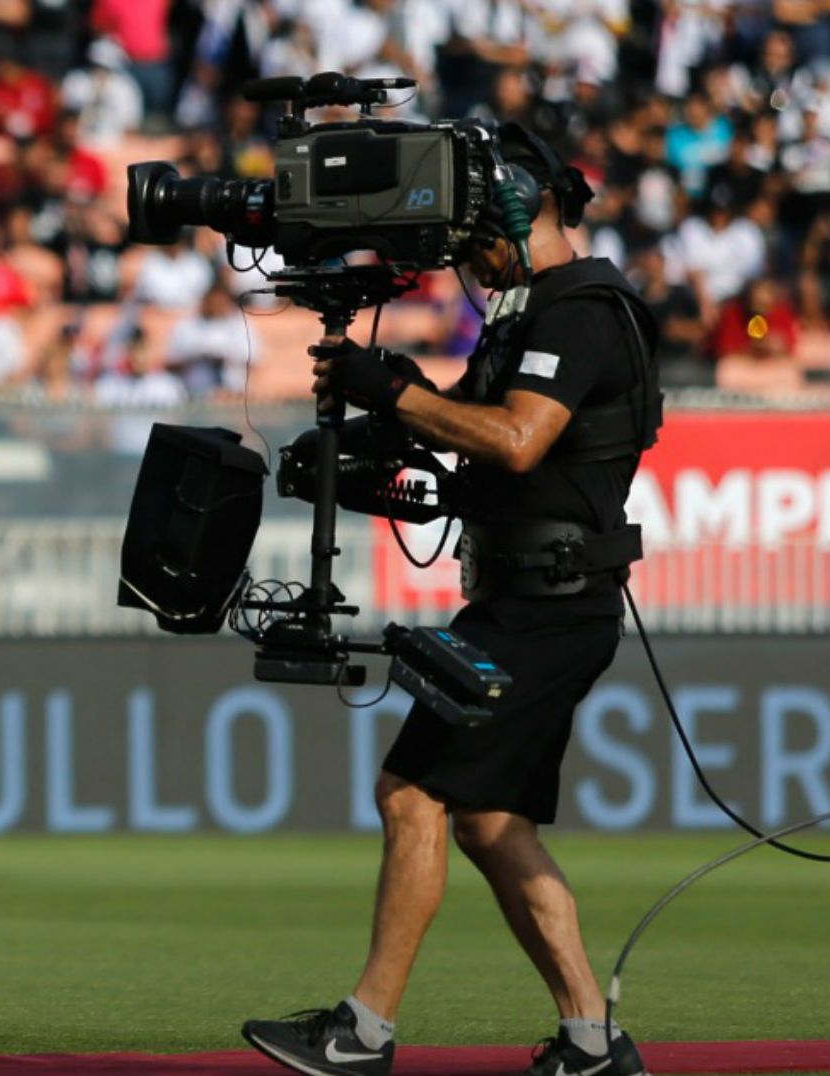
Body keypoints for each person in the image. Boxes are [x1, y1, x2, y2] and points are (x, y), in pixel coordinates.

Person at [243, 127, 658, 1076]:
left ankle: (364, 1031)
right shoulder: (527, 313)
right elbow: (463, 435)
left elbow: (513, 440)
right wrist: (365, 449)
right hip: (523, 599)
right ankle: (593, 1039)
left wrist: (390, 395)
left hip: (552, 605)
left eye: (477, 230)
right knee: (490, 822)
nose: (467, 253)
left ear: (525, 209)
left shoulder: (582, 311)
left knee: (414, 794)